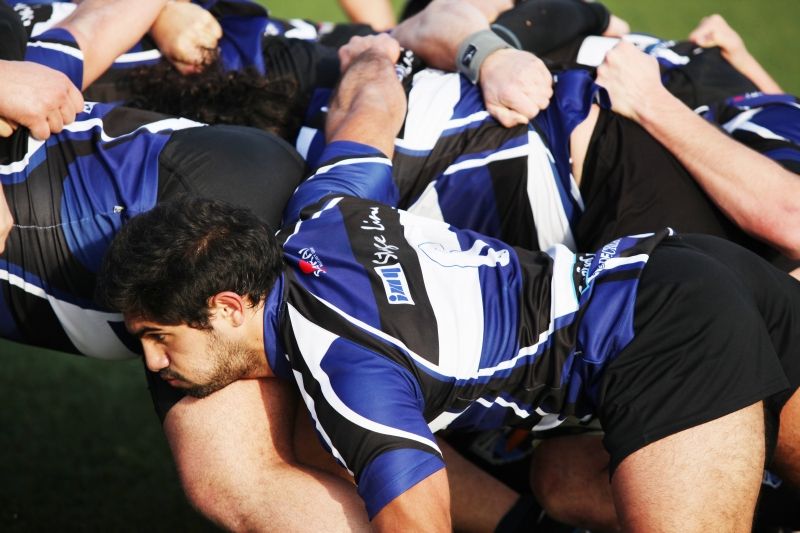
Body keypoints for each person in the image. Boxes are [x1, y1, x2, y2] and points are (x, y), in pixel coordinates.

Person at [96, 36, 800, 531]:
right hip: (685, 266)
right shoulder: (322, 219)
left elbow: (420, 521)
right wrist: (373, 56)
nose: (153, 363)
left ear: (227, 306)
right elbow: (369, 114)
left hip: (660, 340)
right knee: (561, 480)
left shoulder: (342, 364)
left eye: (158, 337)